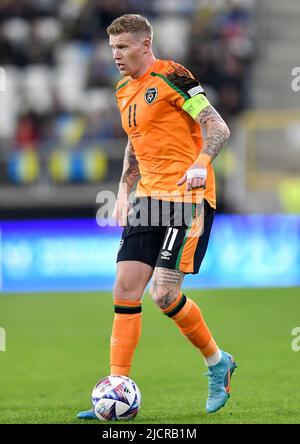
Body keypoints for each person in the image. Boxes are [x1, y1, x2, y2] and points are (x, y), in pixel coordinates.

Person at [77, 13, 236, 419]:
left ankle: (217, 362)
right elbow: (136, 142)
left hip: (187, 200)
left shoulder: (173, 76)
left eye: (124, 47)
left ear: (145, 45)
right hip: (147, 199)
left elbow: (217, 127)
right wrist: (124, 189)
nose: (116, 55)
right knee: (124, 289)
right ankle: (115, 390)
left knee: (163, 295)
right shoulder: (122, 90)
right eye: (113, 48)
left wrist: (201, 160)